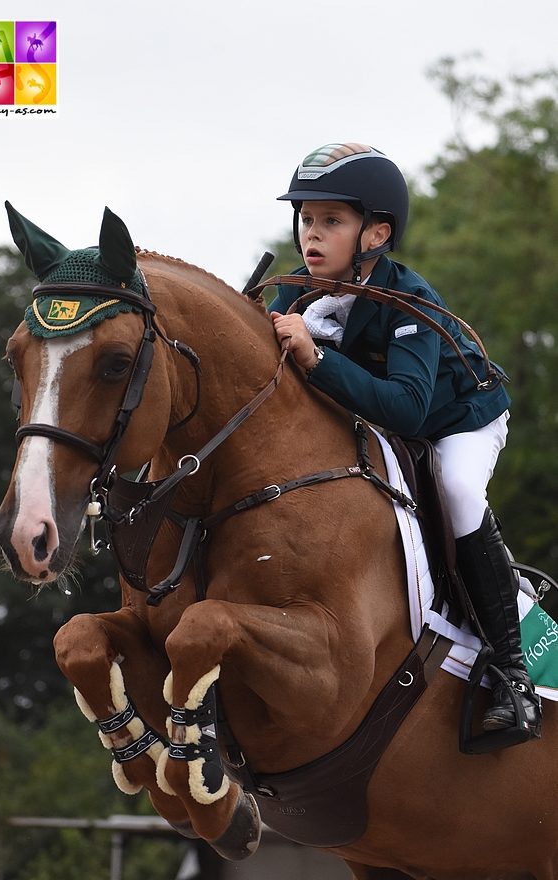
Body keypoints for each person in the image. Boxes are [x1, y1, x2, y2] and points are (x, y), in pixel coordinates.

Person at [270, 142, 541, 742]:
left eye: (332, 221)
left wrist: (316, 358)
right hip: (383, 422)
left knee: (457, 488)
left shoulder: (409, 300)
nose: (312, 234)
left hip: (458, 418)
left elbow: (409, 410)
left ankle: (513, 673)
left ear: (376, 234)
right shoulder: (293, 294)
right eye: (307, 219)